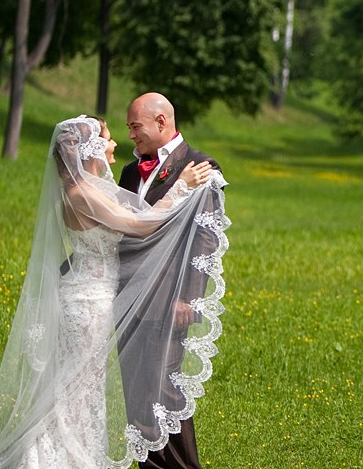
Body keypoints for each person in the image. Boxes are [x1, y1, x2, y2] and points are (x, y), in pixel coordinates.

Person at [0, 115, 228, 469]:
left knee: (82, 383)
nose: (115, 144)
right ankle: (49, 459)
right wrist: (180, 186)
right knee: (76, 384)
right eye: (107, 139)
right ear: (90, 148)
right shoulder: (82, 194)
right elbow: (138, 225)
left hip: (93, 294)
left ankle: (75, 456)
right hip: (87, 300)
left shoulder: (92, 188)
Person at [117, 92, 224, 469]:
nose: (130, 135)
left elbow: (205, 238)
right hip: (129, 298)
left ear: (161, 122)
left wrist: (188, 298)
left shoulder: (200, 166)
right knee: (135, 391)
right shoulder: (131, 172)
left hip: (169, 298)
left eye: (135, 126)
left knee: (165, 392)